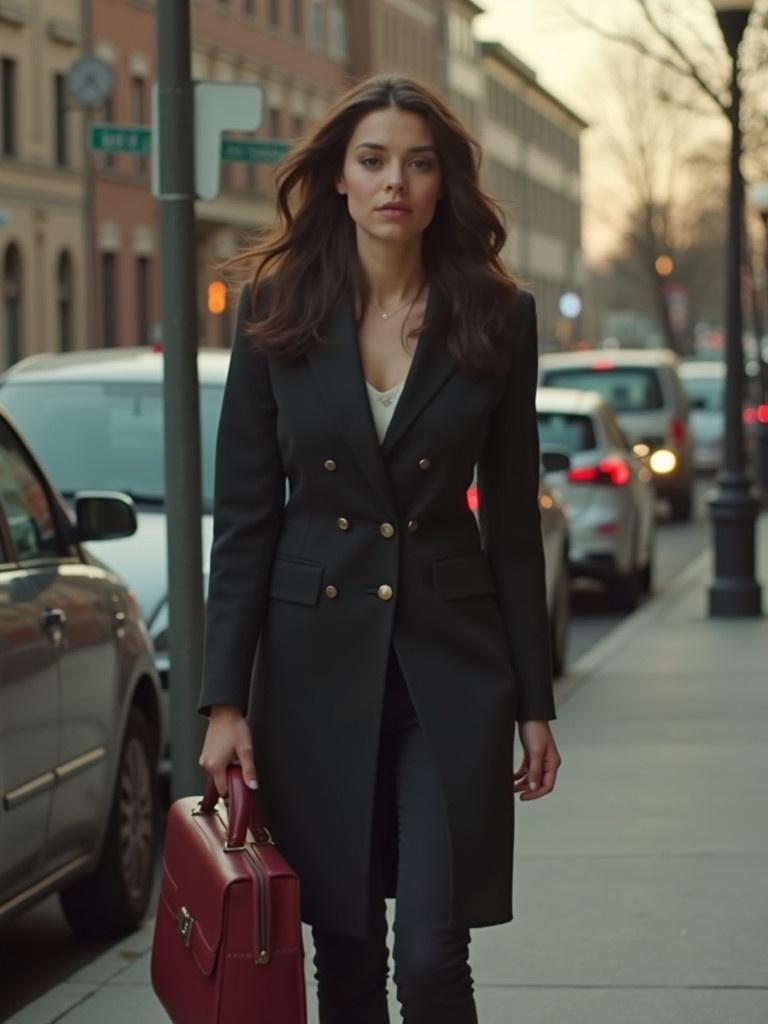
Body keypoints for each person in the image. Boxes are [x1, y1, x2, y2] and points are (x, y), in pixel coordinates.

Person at [198, 75, 562, 1024]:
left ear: (443, 185)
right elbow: (244, 523)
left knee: (435, 959)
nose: (393, 180)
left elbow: (513, 527)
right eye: (372, 160)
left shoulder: (497, 315)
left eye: (418, 162)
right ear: (339, 182)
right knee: (348, 967)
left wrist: (534, 703)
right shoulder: (278, 313)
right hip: (313, 675)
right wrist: (224, 702)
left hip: (450, 672)